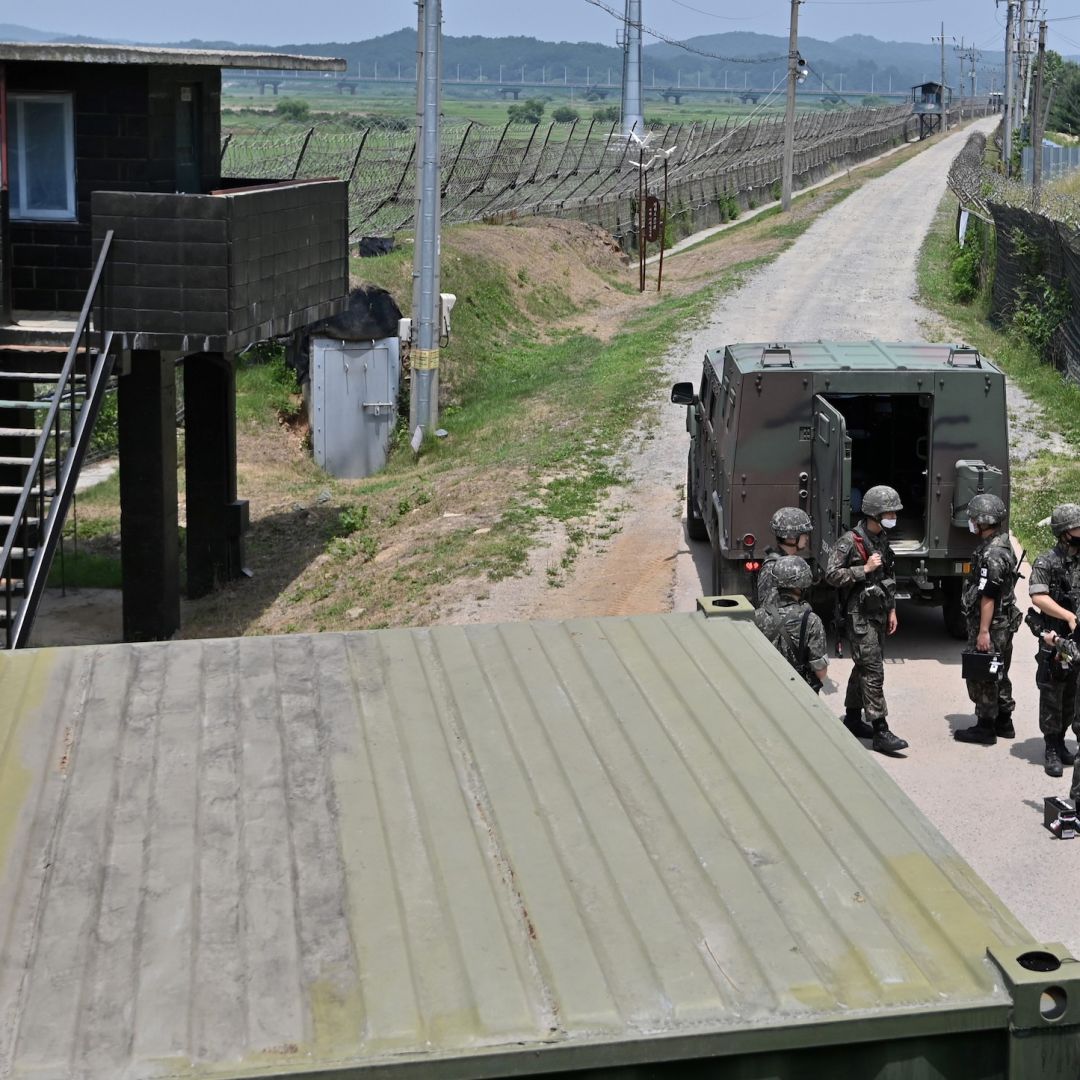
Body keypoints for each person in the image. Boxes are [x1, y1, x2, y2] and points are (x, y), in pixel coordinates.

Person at [825, 484, 909, 754]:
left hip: (879, 612)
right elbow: (832, 575)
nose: (893, 517)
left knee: (863, 666)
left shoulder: (882, 538)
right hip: (858, 615)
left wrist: (893, 609)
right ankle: (880, 730)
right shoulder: (850, 541)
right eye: (889, 513)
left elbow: (889, 576)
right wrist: (864, 569)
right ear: (873, 514)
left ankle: (852, 717)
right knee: (873, 671)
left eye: (895, 513)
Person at [954, 494, 1022, 745]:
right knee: (999, 669)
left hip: (992, 624)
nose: (971, 522)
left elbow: (988, 596)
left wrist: (983, 632)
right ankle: (1004, 721)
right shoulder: (1002, 544)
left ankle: (985, 726)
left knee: (983, 672)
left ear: (982, 522)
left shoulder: (992, 553)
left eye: (973, 519)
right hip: (1003, 622)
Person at [1027, 503, 1080, 778]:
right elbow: (1038, 596)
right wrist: (1068, 615)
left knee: (1072, 693)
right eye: (1076, 527)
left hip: (1076, 640)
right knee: (1052, 692)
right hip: (1054, 637)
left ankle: (1061, 742)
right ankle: (1050, 747)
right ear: (1063, 532)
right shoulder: (1047, 561)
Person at [754, 555, 829, 692]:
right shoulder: (812, 621)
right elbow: (821, 673)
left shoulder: (758, 616)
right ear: (802, 584)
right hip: (799, 693)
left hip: (765, 690)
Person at [757, 507, 814, 609]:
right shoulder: (772, 567)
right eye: (804, 534)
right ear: (792, 537)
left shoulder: (789, 561)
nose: (807, 538)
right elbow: (768, 610)